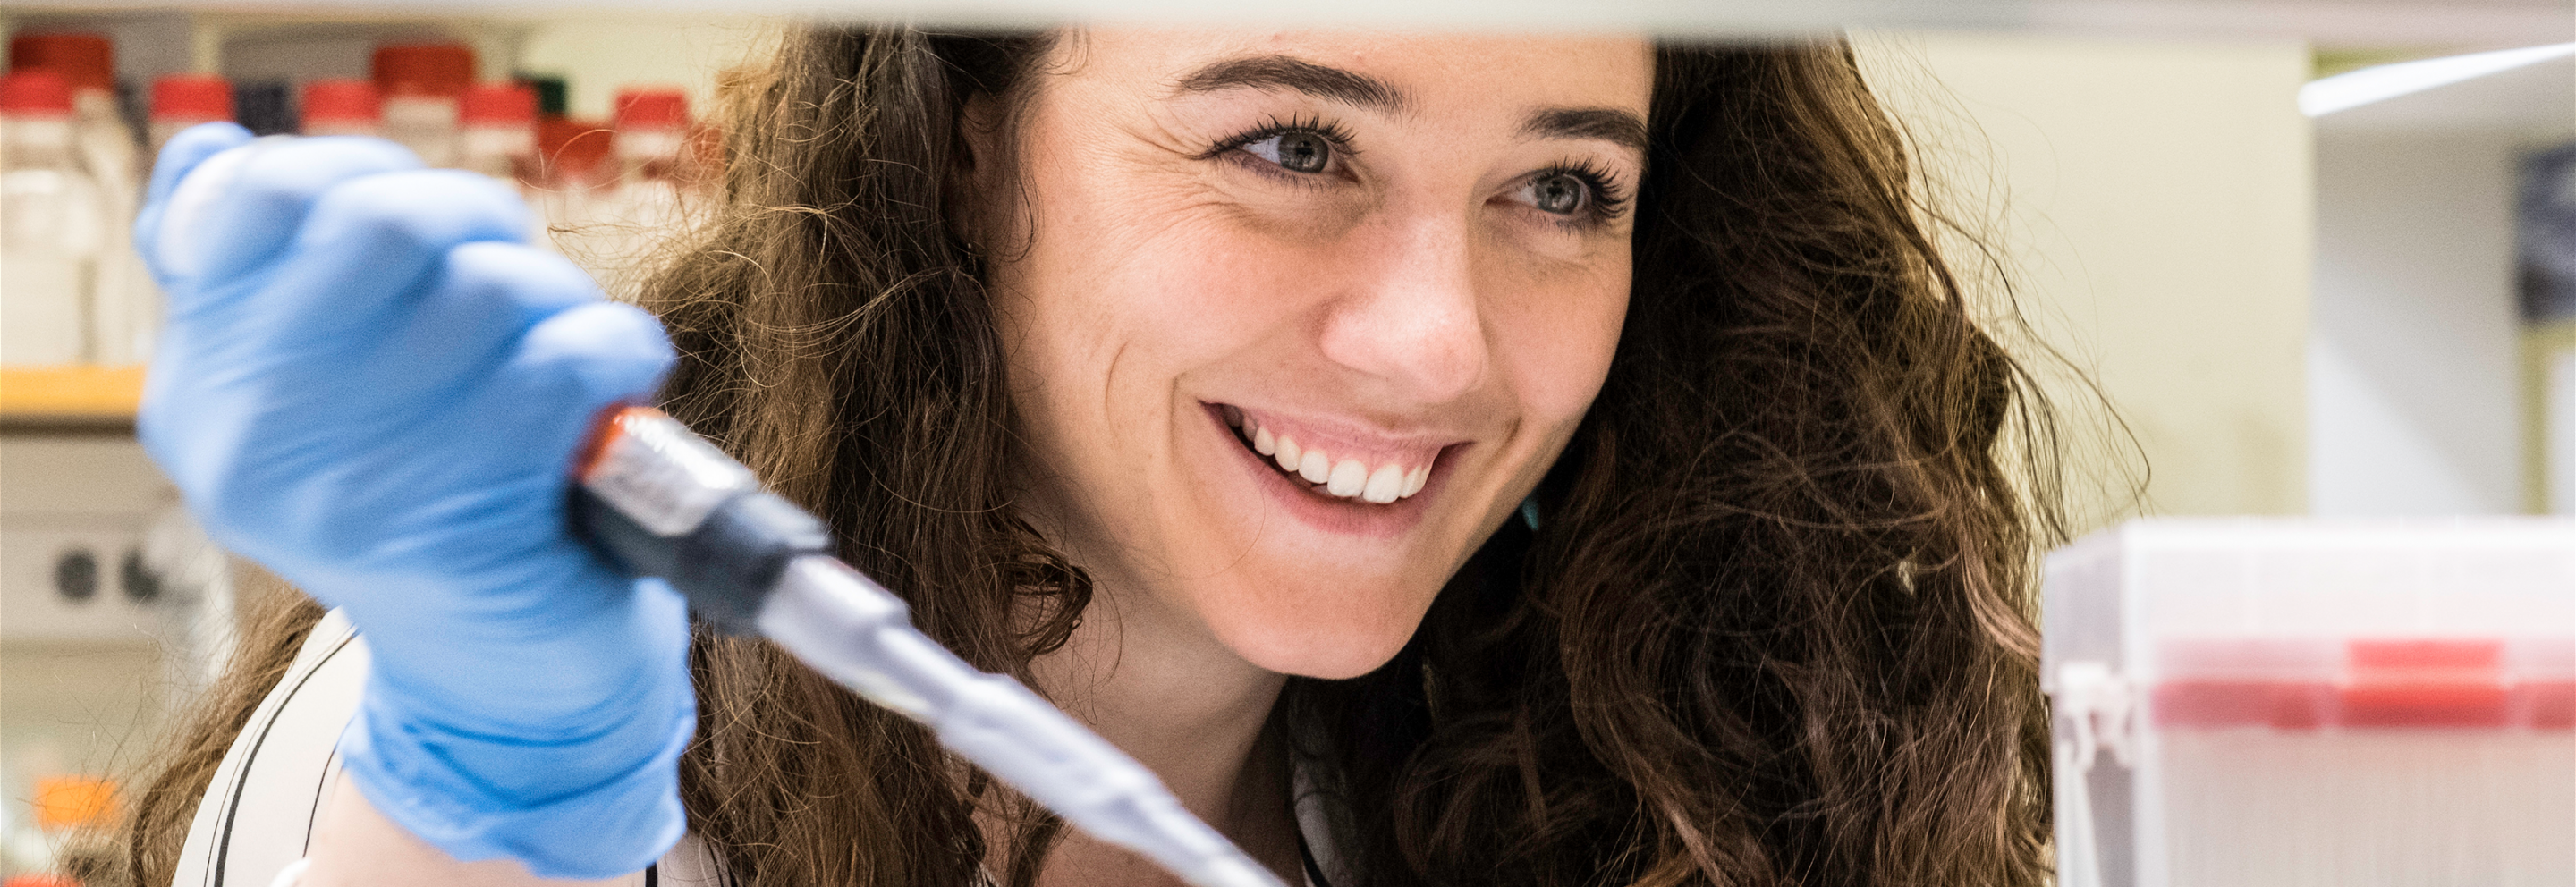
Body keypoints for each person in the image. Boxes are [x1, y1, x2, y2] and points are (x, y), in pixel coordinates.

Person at [111, 24, 2059, 887]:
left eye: (1562, 184)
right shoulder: (503, 747)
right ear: (969, 145)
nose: (1442, 340)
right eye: (1292, 147)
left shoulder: (1609, 763)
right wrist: (488, 812)